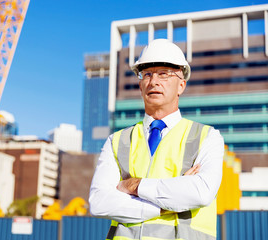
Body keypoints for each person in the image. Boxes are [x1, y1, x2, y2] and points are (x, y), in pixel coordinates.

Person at [89, 39, 224, 240]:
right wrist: (167, 204)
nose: (153, 82)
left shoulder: (207, 137)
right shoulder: (117, 141)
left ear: (181, 85)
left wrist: (134, 186)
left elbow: (201, 192)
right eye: (147, 74)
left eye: (164, 74)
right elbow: (99, 202)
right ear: (140, 84)